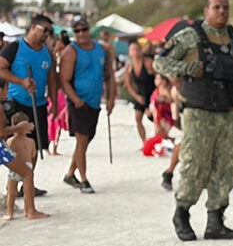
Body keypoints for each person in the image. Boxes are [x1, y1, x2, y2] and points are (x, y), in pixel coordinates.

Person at [154, 0, 233, 241]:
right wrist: (185, 69)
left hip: (230, 114)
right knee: (195, 164)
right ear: (206, 9)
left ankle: (215, 220)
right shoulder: (191, 36)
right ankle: (182, 213)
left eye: (225, 8)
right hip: (199, 113)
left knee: (227, 166)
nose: (221, 12)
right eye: (216, 7)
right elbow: (160, 62)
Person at [0, 14, 58, 197]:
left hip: (39, 103)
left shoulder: (47, 52)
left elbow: (52, 79)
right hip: (17, 103)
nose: (47, 35)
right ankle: (14, 186)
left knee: (35, 146)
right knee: (18, 146)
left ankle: (28, 182)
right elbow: (0, 68)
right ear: (33, 27)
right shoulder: (16, 47)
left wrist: (54, 102)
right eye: (44, 30)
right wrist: (21, 81)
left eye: (50, 31)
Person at [58, 16, 115, 194]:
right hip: (79, 102)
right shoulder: (70, 51)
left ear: (89, 29)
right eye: (77, 30)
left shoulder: (102, 50)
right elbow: (64, 80)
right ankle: (84, 179)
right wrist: (75, 99)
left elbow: (109, 75)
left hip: (95, 101)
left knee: (86, 140)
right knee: (82, 140)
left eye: (83, 29)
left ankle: (70, 174)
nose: (81, 33)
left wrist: (111, 98)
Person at [1, 110, 47, 220]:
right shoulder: (30, 141)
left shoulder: (10, 141)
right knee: (28, 190)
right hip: (26, 165)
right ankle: (29, 210)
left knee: (11, 192)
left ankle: (9, 213)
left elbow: (8, 154)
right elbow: (32, 154)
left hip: (13, 169)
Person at [124, 41, 156, 146]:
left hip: (152, 93)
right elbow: (128, 84)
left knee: (155, 119)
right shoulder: (129, 66)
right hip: (140, 95)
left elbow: (159, 77)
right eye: (133, 50)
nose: (136, 52)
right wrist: (136, 96)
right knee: (138, 118)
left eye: (138, 49)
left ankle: (161, 139)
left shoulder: (148, 62)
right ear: (129, 53)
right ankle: (145, 143)